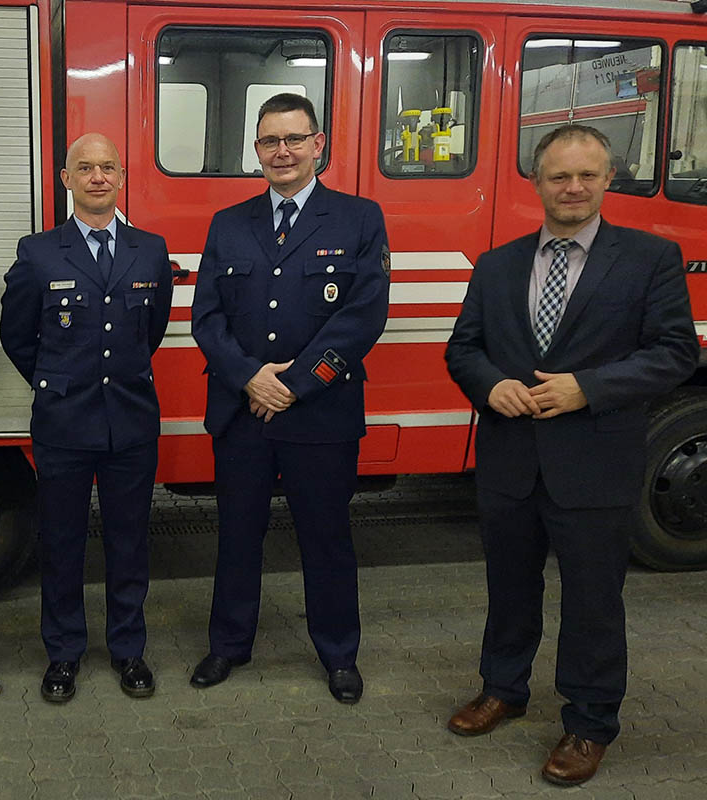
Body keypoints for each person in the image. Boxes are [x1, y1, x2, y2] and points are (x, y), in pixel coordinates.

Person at [445, 124, 697, 785]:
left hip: (594, 464)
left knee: (592, 601)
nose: (573, 188)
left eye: (587, 175)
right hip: (510, 462)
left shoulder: (650, 259)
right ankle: (502, 687)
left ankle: (588, 722)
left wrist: (588, 388)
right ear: (538, 182)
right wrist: (491, 385)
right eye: (559, 176)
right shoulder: (497, 264)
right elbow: (463, 349)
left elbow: (676, 353)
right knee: (509, 589)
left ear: (608, 179)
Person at [189, 93, 390, 704]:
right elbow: (207, 317)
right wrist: (251, 378)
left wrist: (293, 385)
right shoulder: (230, 223)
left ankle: (338, 653)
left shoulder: (358, 218)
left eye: (294, 139)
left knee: (326, 537)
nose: (282, 151)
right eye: (270, 141)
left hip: (320, 413)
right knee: (237, 533)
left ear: (318, 144)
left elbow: (363, 317)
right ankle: (228, 644)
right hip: (242, 412)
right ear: (256, 150)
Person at [0, 133, 172, 702]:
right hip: (63, 424)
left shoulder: (150, 249)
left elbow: (150, 331)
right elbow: (18, 336)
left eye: (108, 168)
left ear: (122, 178)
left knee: (129, 543)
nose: (98, 177)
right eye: (85, 168)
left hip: (130, 421)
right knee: (63, 543)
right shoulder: (38, 251)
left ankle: (128, 649)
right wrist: (60, 384)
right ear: (65, 179)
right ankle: (64, 652)